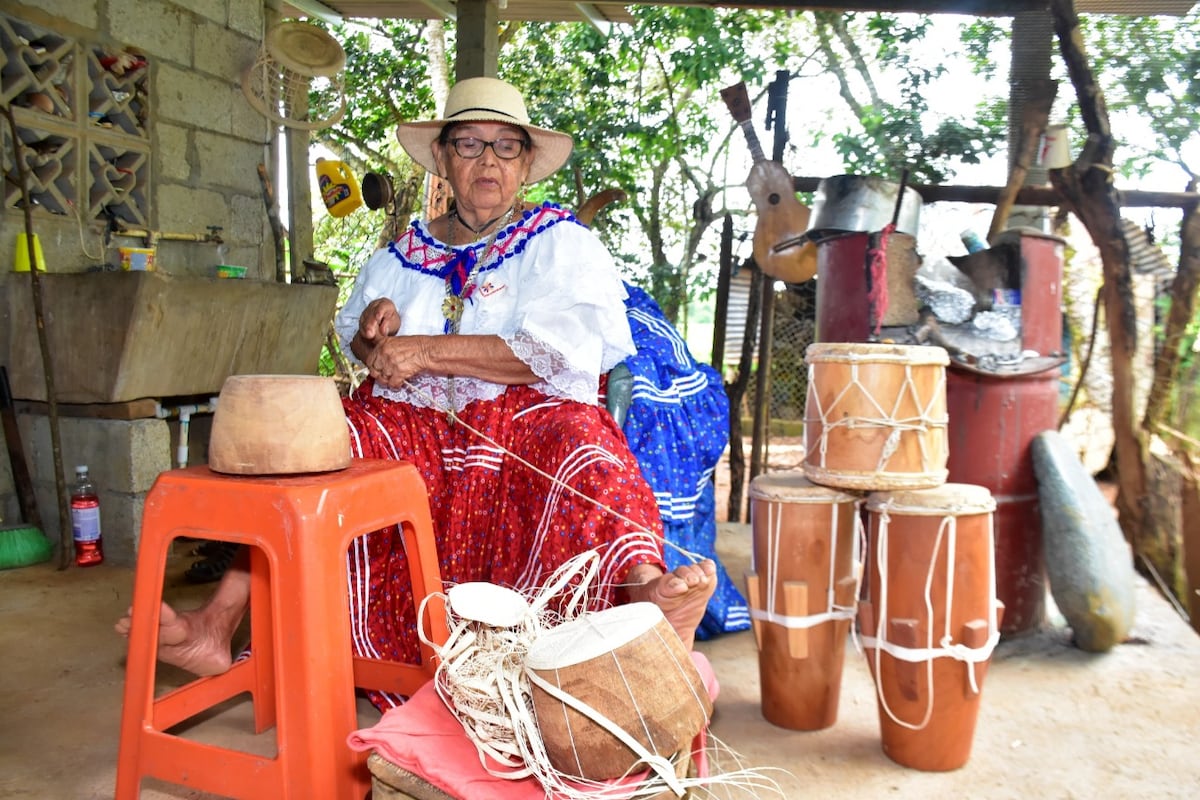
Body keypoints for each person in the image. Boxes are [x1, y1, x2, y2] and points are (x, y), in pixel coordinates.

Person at [117, 77, 716, 708]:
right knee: (314, 445)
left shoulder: (560, 244)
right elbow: (365, 348)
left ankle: (645, 592)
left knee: (585, 447)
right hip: (418, 428)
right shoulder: (402, 256)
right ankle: (216, 623)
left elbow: (560, 353)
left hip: (525, 420)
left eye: (506, 146)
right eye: (469, 144)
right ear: (442, 159)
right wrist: (376, 333)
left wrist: (427, 349)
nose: (487, 160)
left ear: (526, 165)